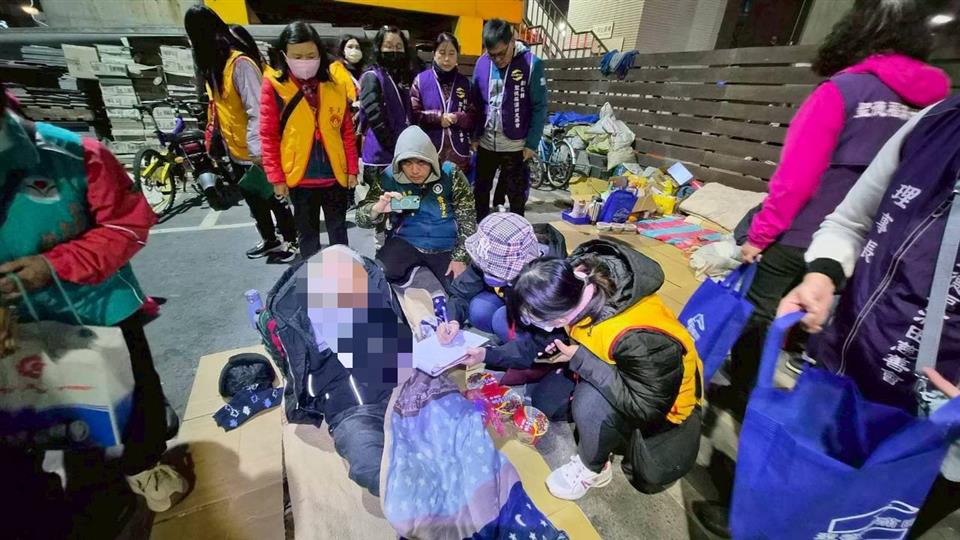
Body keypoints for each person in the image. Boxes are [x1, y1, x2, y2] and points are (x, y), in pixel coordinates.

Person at [724, 0, 949, 405]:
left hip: (803, 234)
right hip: (880, 249)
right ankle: (803, 398)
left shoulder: (841, 91)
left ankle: (745, 398)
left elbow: (795, 179)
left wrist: (759, 236)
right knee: (829, 325)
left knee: (759, 314)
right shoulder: (936, 110)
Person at [0, 83, 187, 529]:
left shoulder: (76, 156)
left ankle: (144, 467)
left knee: (132, 394)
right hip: (13, 327)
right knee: (22, 418)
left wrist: (54, 264)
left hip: (98, 308)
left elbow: (129, 224)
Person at [778, 91, 960, 539]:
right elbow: (850, 221)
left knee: (862, 526)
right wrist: (822, 275)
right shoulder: (937, 120)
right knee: (799, 492)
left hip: (933, 430)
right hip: (841, 373)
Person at [484, 240, 702, 500]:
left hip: (666, 406)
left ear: (559, 316)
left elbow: (646, 406)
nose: (540, 327)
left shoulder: (637, 337)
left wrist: (581, 359)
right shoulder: (573, 284)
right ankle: (607, 434)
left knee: (597, 412)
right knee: (547, 402)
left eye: (540, 320)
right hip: (617, 371)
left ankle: (592, 468)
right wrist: (486, 355)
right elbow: (537, 343)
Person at [184, 6, 298, 263]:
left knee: (275, 199)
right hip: (236, 152)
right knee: (255, 201)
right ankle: (269, 239)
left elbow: (257, 110)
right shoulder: (216, 68)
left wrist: (259, 152)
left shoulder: (240, 64)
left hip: (257, 152)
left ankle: (292, 241)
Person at [260, 21, 359, 260]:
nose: (304, 61)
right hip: (299, 177)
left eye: (311, 56)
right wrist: (276, 177)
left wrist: (352, 169)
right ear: (284, 55)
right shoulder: (274, 86)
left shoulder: (335, 85)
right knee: (308, 237)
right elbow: (268, 135)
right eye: (297, 56)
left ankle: (343, 277)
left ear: (320, 54)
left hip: (334, 175)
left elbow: (346, 131)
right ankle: (312, 280)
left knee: (339, 234)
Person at [356, 125, 476, 286]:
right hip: (406, 241)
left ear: (431, 158)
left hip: (446, 244)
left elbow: (468, 219)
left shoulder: (450, 173)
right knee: (375, 279)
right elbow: (360, 218)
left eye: (421, 162)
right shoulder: (389, 177)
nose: (414, 170)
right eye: (407, 163)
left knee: (463, 288)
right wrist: (376, 209)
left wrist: (460, 257)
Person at [471, 19, 547, 221]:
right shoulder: (482, 64)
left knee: (516, 195)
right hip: (486, 142)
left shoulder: (532, 64)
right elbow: (476, 103)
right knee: (481, 191)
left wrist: (532, 143)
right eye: (492, 54)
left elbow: (539, 106)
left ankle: (517, 233)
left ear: (512, 41)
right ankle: (481, 230)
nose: (497, 59)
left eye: (502, 53)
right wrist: (475, 135)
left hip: (516, 145)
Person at [359, 25, 418, 187]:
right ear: (379, 48)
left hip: (402, 155)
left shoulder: (404, 78)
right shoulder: (372, 77)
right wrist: (394, 147)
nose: (394, 51)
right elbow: (376, 119)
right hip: (381, 158)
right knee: (383, 201)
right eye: (389, 46)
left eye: (399, 47)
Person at [410, 32, 474, 171]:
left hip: (459, 155)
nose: (446, 58)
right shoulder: (421, 80)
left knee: (457, 185)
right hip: (428, 152)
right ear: (434, 54)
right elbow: (414, 114)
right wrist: (438, 118)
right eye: (442, 52)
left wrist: (458, 118)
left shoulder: (465, 83)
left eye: (451, 53)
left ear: (457, 55)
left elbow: (473, 116)